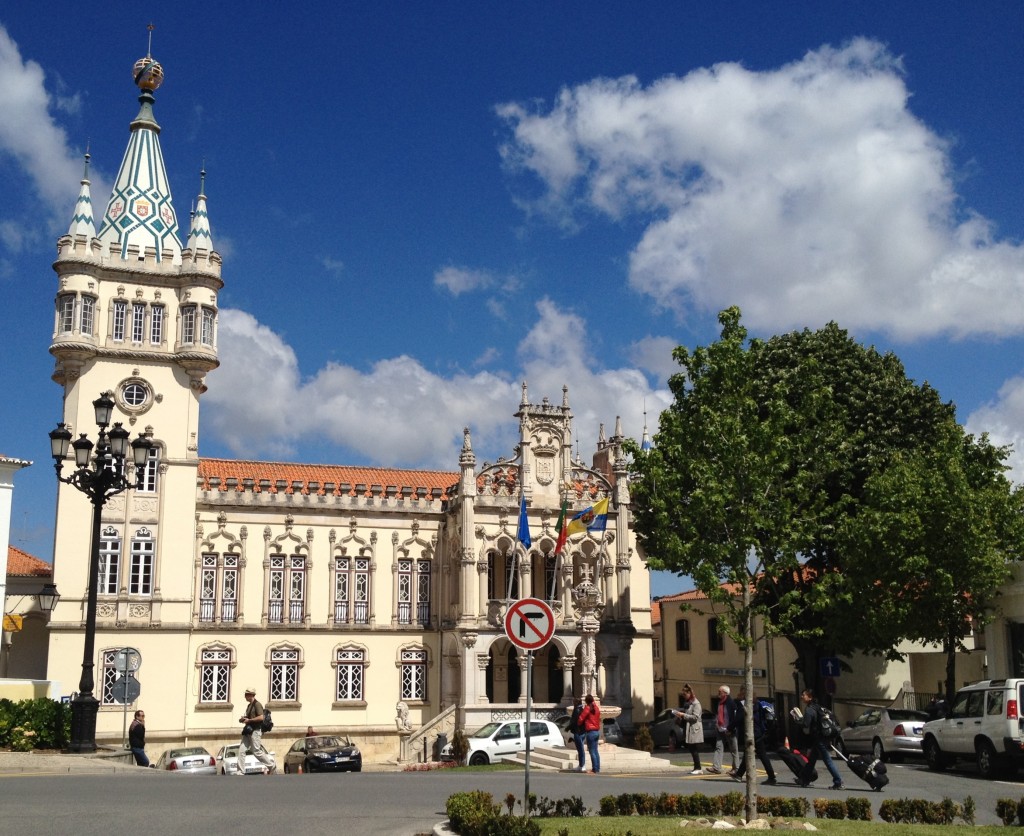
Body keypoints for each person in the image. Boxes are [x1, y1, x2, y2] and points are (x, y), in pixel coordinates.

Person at [796, 688, 844, 790]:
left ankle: (838, 781)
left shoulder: (809, 709)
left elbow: (806, 724)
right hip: (823, 737)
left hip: (819, 738)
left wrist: (798, 720)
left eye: (803, 695)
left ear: (810, 697)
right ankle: (804, 779)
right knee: (812, 759)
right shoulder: (818, 707)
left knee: (827, 760)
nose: (801, 697)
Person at [732, 687, 777, 785]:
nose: (738, 696)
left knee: (755, 755)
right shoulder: (757, 704)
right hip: (758, 733)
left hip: (749, 733)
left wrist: (729, 728)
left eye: (740, 694)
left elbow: (738, 718)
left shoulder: (744, 705)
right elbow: (762, 719)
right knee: (754, 755)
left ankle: (771, 776)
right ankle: (739, 775)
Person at [237, 687, 276, 775]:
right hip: (248, 731)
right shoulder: (249, 705)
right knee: (241, 750)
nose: (245, 696)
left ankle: (271, 765)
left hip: (255, 730)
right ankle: (240, 772)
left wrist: (249, 720)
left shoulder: (257, 704)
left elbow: (261, 717)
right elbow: (249, 717)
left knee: (256, 751)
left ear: (251, 695)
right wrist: (243, 719)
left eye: (246, 694)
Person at [672, 684, 705, 774]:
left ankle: (698, 768)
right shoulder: (689, 703)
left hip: (694, 728)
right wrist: (679, 715)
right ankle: (696, 767)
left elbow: (695, 717)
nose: (684, 697)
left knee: (693, 748)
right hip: (689, 728)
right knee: (691, 748)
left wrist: (683, 715)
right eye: (683, 695)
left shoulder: (696, 703)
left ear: (689, 693)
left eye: (685, 695)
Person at [709, 685, 738, 774]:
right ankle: (716, 767)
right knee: (718, 747)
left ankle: (736, 768)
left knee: (733, 749)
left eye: (720, 692)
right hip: (720, 728)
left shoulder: (731, 703)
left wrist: (731, 728)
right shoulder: (720, 703)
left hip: (729, 729)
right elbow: (719, 714)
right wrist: (717, 723)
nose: (718, 694)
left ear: (725, 693)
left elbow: (734, 717)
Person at [579, 693, 601, 774]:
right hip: (596, 731)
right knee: (595, 751)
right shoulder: (596, 708)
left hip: (590, 732)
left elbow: (581, 718)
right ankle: (597, 768)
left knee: (592, 751)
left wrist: (579, 723)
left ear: (586, 701)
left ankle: (594, 769)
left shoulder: (588, 708)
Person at [568, 696, 586, 772]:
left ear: (576, 703)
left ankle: (582, 765)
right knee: (580, 750)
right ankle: (581, 765)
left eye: (574, 702)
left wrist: (568, 728)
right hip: (582, 731)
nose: (573, 703)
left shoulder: (577, 710)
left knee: (580, 750)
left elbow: (574, 721)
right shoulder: (582, 709)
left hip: (578, 732)